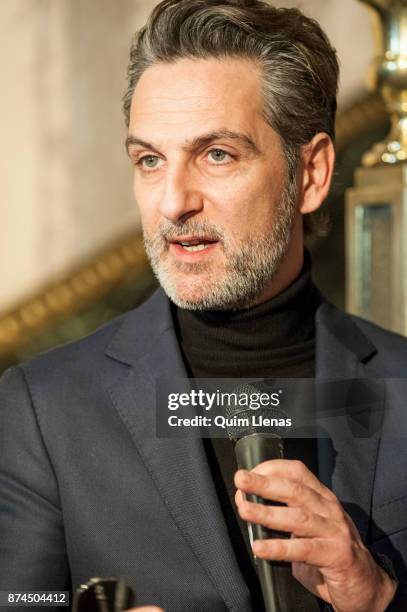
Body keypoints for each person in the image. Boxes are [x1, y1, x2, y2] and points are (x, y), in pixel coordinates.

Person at [1, 0, 407, 610]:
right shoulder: (43, 408)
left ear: (313, 173)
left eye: (217, 154)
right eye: (149, 160)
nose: (172, 203)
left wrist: (378, 597)